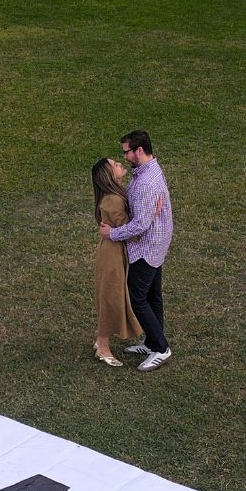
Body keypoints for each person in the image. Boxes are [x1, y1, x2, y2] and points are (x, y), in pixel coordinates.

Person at [99, 129, 173, 371]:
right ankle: (153, 342)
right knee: (153, 296)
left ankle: (160, 348)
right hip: (156, 245)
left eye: (127, 152)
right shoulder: (149, 171)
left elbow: (140, 226)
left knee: (137, 297)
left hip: (145, 248)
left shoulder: (145, 184)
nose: (125, 157)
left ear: (139, 150)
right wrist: (151, 211)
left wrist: (111, 234)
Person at [91, 157, 141, 367]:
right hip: (112, 255)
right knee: (112, 298)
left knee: (112, 295)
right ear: (109, 175)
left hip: (112, 251)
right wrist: (151, 216)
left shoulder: (114, 196)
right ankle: (103, 346)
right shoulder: (113, 200)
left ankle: (100, 341)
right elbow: (131, 231)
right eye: (114, 165)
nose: (120, 164)